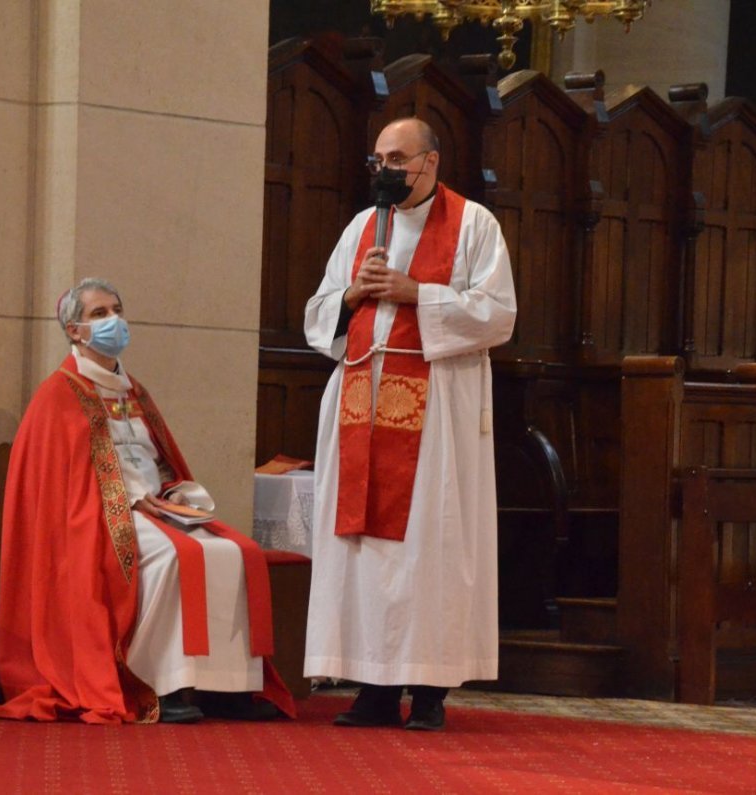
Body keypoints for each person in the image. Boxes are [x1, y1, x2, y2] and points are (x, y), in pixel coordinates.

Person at [0, 277, 294, 725]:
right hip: (96, 521)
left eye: (116, 309)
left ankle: (228, 688)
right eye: (99, 314)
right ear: (74, 331)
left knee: (235, 552)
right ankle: (165, 685)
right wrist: (133, 501)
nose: (113, 320)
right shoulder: (58, 395)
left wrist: (174, 493)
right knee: (178, 556)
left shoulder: (133, 391)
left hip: (159, 509)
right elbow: (62, 487)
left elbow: (162, 459)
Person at [303, 117, 517, 730]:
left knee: (429, 548)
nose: (385, 170)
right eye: (378, 160)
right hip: (358, 411)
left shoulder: (474, 225)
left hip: (435, 420)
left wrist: (414, 292)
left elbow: (498, 315)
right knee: (364, 552)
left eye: (397, 158)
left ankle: (427, 691)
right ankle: (372, 689)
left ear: (431, 162)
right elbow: (317, 312)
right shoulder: (361, 226)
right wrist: (351, 297)